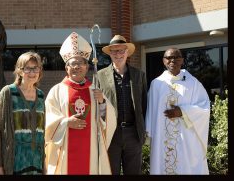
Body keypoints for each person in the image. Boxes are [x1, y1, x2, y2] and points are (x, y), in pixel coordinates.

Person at [44, 32, 117, 174]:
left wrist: (102, 103)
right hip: (65, 148)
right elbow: (48, 120)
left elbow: (108, 121)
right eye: (73, 63)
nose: (77, 67)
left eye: (81, 63)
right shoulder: (57, 91)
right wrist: (66, 122)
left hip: (90, 150)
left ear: (87, 67)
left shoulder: (95, 91)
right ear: (66, 68)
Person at [145, 48, 210, 174]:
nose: (172, 60)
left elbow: (205, 107)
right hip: (162, 137)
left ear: (182, 60)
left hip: (186, 138)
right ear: (164, 61)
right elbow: (150, 111)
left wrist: (183, 112)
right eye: (168, 58)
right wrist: (148, 132)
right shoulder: (156, 84)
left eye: (176, 57)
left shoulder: (193, 83)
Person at [97, 35, 147, 175]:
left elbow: (144, 105)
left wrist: (142, 130)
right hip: (111, 133)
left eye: (121, 51)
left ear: (127, 52)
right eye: (114, 51)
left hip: (133, 133)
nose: (118, 54)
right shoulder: (99, 76)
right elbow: (97, 107)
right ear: (110, 54)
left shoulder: (139, 75)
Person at [0, 51, 45, 175]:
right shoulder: (8, 92)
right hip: (14, 161)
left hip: (36, 162)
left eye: (35, 68)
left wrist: (44, 163)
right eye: (27, 69)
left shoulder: (41, 95)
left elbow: (42, 134)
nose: (32, 73)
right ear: (20, 71)